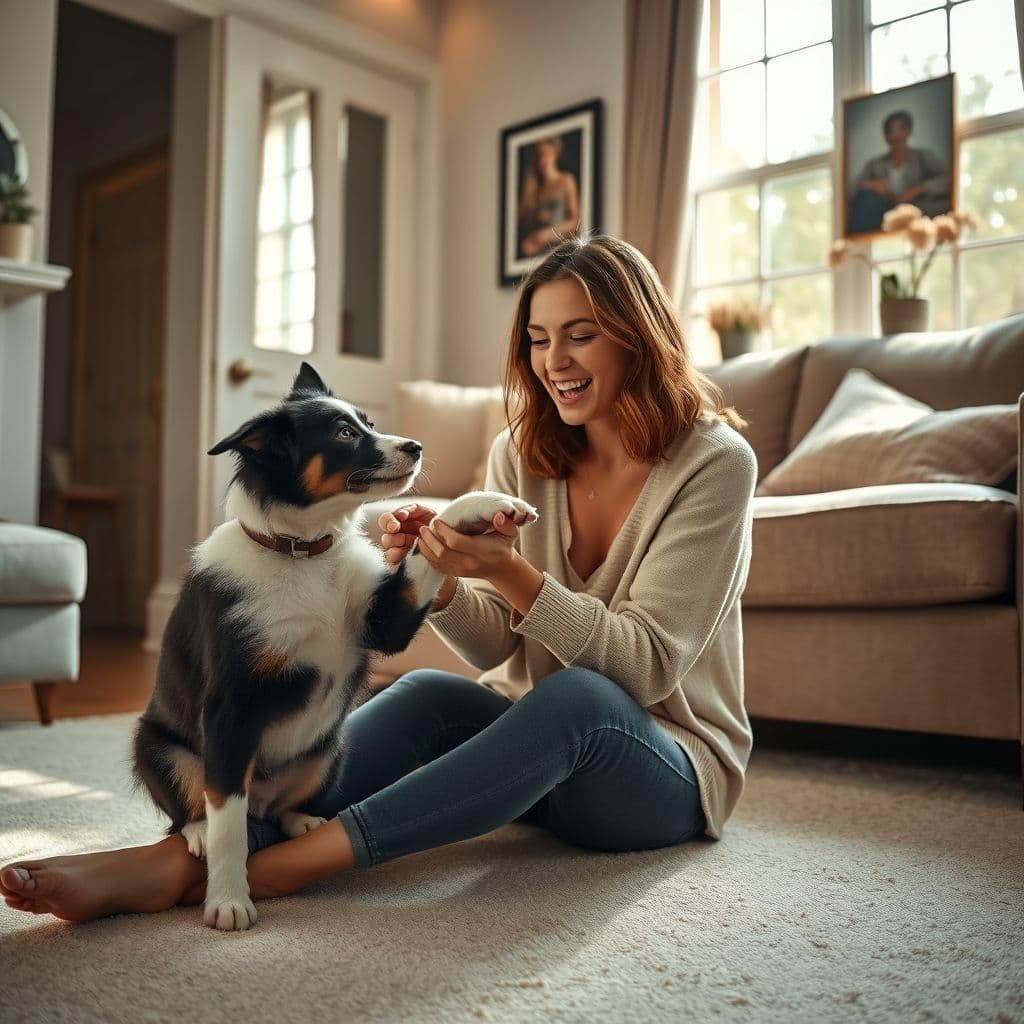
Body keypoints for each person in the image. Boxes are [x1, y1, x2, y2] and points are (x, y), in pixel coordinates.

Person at [0, 234, 757, 924]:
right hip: (539, 774)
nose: (553, 360)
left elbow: (644, 667)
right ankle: (177, 861)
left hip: (660, 775)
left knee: (581, 699)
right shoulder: (521, 453)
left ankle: (289, 865)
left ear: (637, 335)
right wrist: (451, 577)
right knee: (424, 692)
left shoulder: (715, 464)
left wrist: (515, 571)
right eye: (537, 339)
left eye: (580, 335)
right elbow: (498, 653)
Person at [848, 109, 950, 234]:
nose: (894, 136)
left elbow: (949, 179)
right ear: (885, 136)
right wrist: (871, 185)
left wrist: (921, 188)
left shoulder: (923, 156)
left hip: (919, 213)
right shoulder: (875, 164)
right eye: (889, 132)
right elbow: (851, 189)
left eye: (899, 130)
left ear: (908, 131)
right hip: (884, 215)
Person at [517, 137, 581, 258]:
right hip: (539, 252)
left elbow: (575, 221)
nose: (543, 160)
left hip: (559, 249)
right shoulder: (534, 190)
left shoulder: (566, 180)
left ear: (555, 154)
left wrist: (546, 234)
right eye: (539, 156)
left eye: (547, 154)